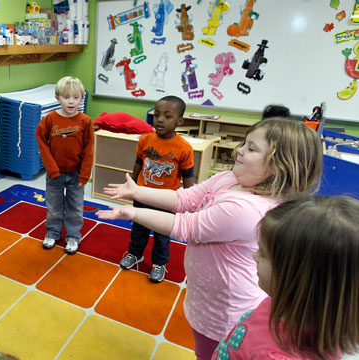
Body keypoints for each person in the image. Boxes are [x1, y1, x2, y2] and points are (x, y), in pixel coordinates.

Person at [96, 117, 322, 360]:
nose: (239, 150)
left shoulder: (245, 209)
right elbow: (185, 200)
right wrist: (137, 192)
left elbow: (186, 226)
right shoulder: (231, 179)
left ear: (280, 166)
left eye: (251, 148)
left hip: (225, 311)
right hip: (206, 297)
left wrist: (133, 212)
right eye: (244, 143)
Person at [214, 196, 359, 359]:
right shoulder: (287, 303)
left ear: (298, 280)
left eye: (263, 254)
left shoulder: (274, 355)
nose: (254, 256)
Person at [119, 95, 196, 283]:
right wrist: (132, 185)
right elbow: (139, 163)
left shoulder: (184, 148)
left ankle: (159, 263)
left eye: (167, 116)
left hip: (165, 200)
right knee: (139, 229)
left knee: (162, 235)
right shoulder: (145, 140)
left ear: (180, 121)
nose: (160, 119)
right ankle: (135, 254)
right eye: (157, 114)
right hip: (143, 195)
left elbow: (188, 177)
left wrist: (189, 203)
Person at [35, 76, 94, 255]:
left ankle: (73, 237)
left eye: (75, 97)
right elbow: (42, 144)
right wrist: (52, 169)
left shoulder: (85, 121)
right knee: (54, 206)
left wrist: (84, 175)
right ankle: (53, 233)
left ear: (81, 99)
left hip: (76, 174)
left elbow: (89, 149)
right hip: (55, 174)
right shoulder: (50, 119)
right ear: (57, 98)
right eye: (66, 97)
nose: (71, 101)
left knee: (75, 207)